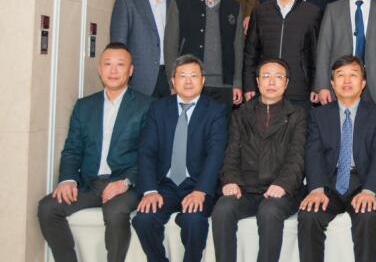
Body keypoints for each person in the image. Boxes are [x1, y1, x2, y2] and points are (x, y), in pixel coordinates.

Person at [38, 43, 152, 262]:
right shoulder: (84, 106)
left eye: (120, 65)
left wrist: (126, 182)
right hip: (90, 184)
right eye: (108, 64)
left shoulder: (146, 106)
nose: (113, 70)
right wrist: (68, 179)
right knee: (47, 208)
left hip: (125, 184)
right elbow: (72, 149)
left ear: (131, 71)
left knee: (115, 212)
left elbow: (149, 154)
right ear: (100, 69)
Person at [132, 55, 228, 262]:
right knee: (143, 220)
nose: (188, 81)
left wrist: (201, 191)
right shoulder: (158, 108)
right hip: (164, 185)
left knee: (193, 220)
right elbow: (147, 151)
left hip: (196, 184)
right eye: (182, 76)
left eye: (194, 76)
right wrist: (150, 190)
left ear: (203, 80)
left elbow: (215, 154)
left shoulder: (216, 111)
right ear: (173, 81)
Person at [212, 59, 308, 262]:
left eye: (278, 77)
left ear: (286, 83)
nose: (271, 82)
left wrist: (283, 184)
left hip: (282, 191)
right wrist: (231, 180)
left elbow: (297, 157)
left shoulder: (297, 115)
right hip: (246, 189)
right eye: (266, 76)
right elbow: (231, 153)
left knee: (269, 210)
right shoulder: (241, 114)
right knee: (223, 208)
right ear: (257, 81)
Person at [297, 56, 376, 262]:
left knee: (367, 215)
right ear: (332, 83)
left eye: (353, 75)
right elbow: (313, 153)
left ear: (363, 83)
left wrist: (369, 190)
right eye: (340, 76)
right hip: (329, 183)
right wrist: (317, 189)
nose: (346, 81)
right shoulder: (318, 115)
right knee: (309, 215)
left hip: (363, 182)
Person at [164, 0, 244, 113]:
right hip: (190, 83)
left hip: (224, 84)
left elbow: (238, 46)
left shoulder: (234, 6)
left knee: (221, 127)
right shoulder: (180, 3)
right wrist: (174, 82)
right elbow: (170, 46)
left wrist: (237, 82)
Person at [243, 0, 321, 110]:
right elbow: (251, 52)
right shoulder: (260, 12)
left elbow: (317, 53)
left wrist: (316, 86)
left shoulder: (312, 12)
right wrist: (249, 85)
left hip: (300, 89)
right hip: (266, 88)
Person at [110, 0, 175, 97]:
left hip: (171, 80)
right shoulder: (126, 1)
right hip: (140, 80)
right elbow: (118, 46)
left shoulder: (177, 3)